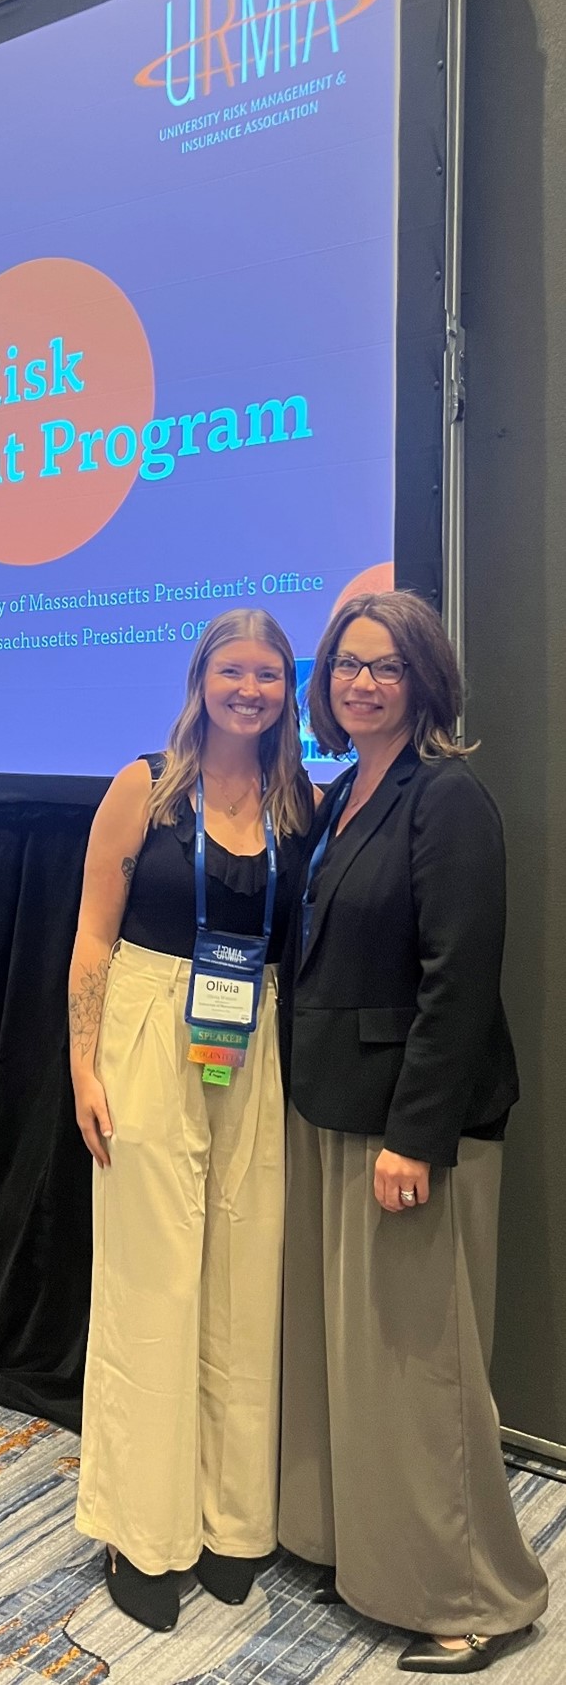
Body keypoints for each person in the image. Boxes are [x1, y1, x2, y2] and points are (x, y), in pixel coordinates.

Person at [278, 589, 548, 1675]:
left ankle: (474, 1596)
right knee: (355, 1361)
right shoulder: (346, 790)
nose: (362, 682)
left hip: (406, 1131)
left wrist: (414, 1137)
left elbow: (456, 981)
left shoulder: (448, 798)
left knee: (420, 1366)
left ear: (423, 679)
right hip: (332, 1108)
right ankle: (358, 1550)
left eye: (386, 666)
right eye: (346, 664)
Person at [69, 607, 314, 1631]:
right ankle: (140, 1527)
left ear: (284, 690)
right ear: (199, 678)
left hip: (249, 1042)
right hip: (144, 1028)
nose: (247, 688)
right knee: (148, 1281)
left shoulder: (299, 800)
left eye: (266, 673)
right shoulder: (143, 786)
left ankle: (225, 1518)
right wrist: (80, 1062)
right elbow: (89, 932)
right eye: (231, 670)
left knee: (241, 1277)